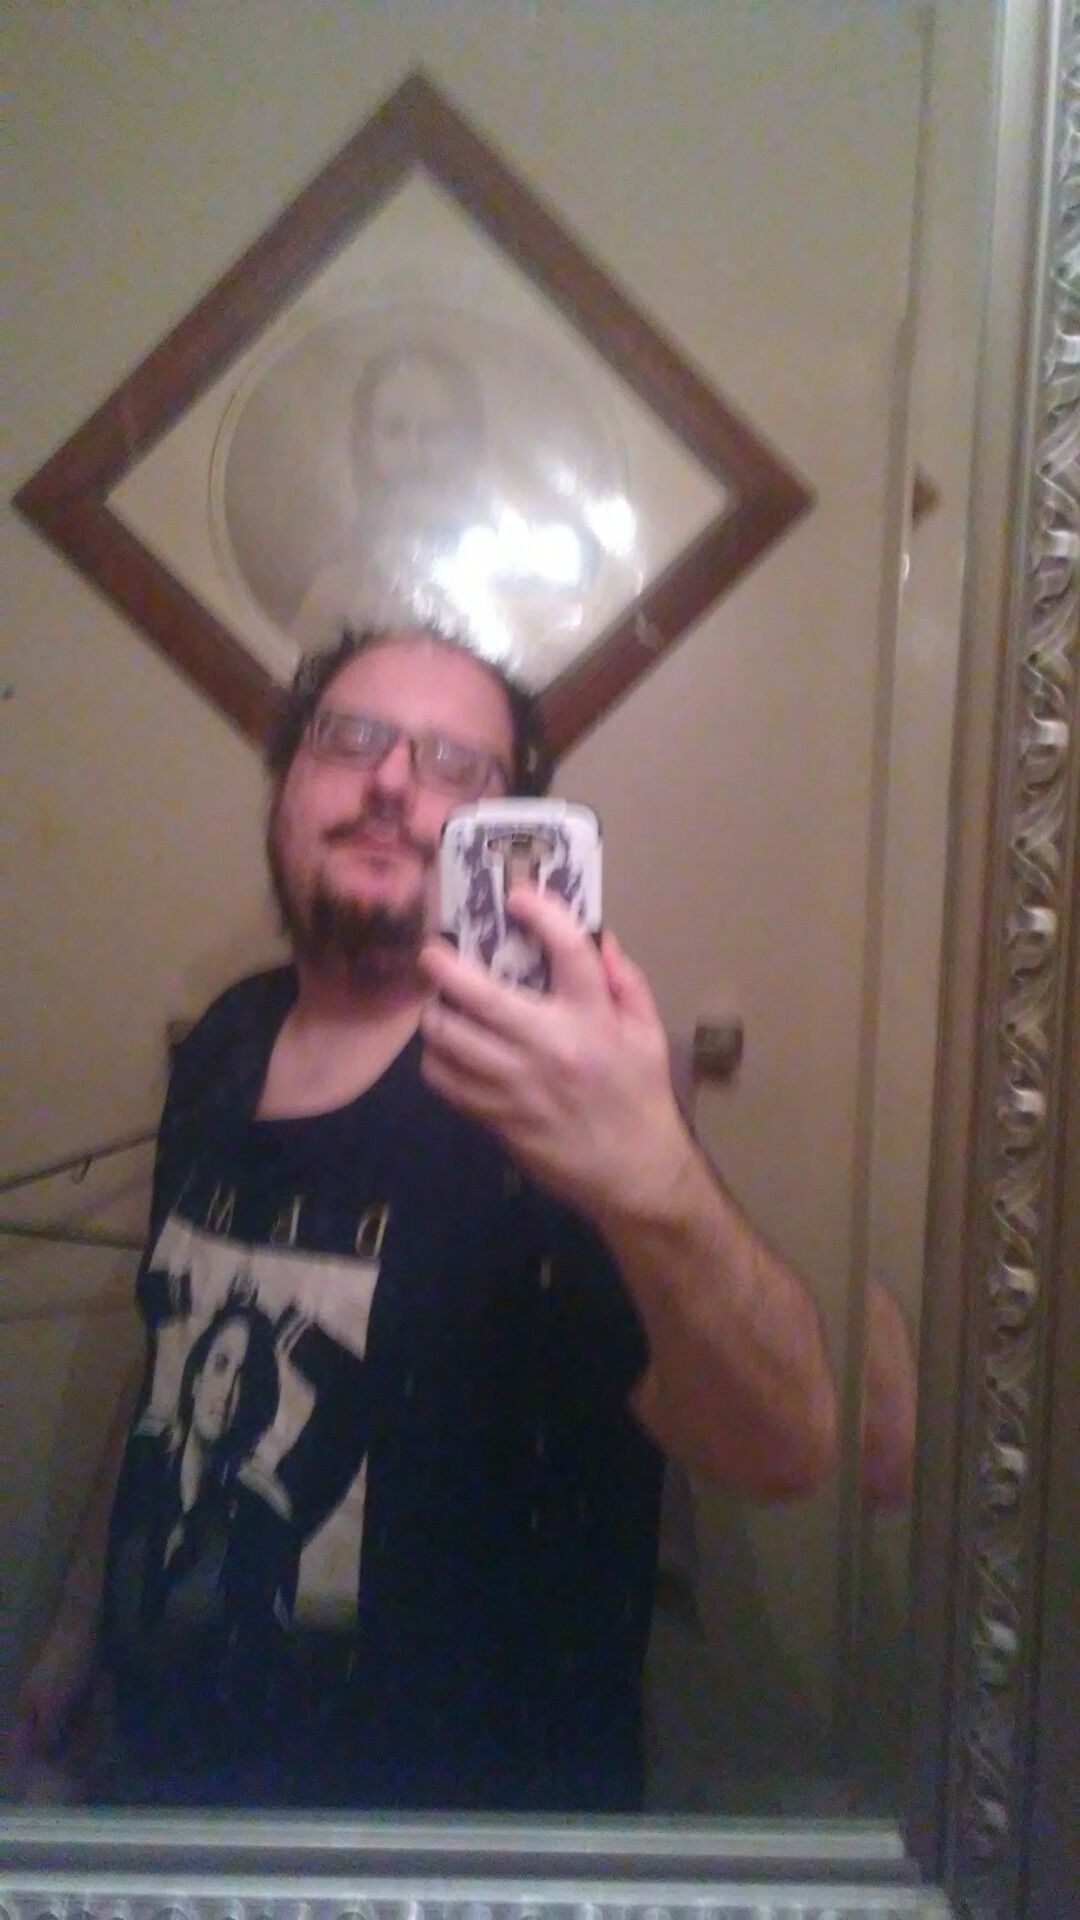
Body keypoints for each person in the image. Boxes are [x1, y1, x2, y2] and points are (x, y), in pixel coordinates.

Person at [10, 623, 840, 1813]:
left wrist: (651, 1172)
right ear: (287, 784)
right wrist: (72, 1640)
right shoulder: (226, 1040)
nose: (394, 782)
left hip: (460, 1846)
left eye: (457, 765)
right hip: (171, 1800)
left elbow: (787, 1443)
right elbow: (171, 1366)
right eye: (350, 739)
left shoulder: (555, 1089)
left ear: (510, 837)